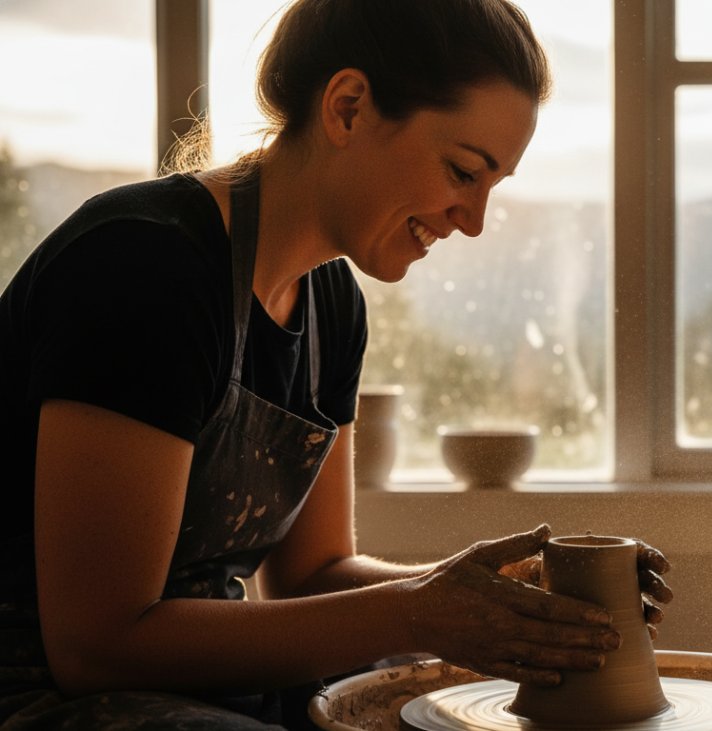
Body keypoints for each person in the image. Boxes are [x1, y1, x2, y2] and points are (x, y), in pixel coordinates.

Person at [0, 0, 671, 728]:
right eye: (462, 171)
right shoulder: (145, 266)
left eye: (492, 186)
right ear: (348, 107)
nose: (474, 221)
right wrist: (416, 612)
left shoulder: (332, 305)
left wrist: (505, 596)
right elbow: (96, 646)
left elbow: (311, 577)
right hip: (38, 695)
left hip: (196, 691)